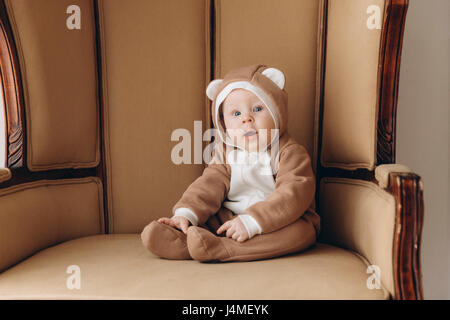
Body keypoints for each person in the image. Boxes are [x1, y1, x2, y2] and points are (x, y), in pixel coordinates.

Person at [141, 64, 320, 262]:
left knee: (301, 231)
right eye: (236, 114)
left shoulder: (289, 152)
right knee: (208, 219)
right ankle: (184, 241)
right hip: (231, 219)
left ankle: (226, 249)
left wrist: (253, 221)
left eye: (257, 109)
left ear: (277, 112)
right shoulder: (224, 153)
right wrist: (186, 213)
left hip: (275, 222)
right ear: (223, 124)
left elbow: (293, 194)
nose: (247, 119)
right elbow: (208, 185)